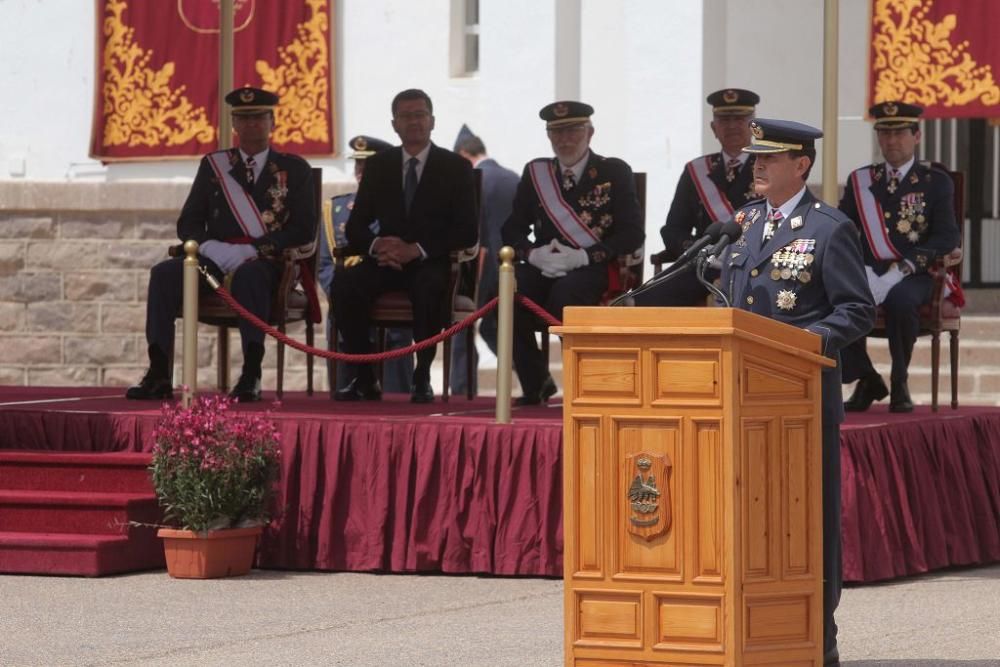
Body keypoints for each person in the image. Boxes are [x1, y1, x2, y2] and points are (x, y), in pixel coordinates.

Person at [717, 119, 875, 666]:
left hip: (799, 400)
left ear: (801, 164)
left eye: (769, 158)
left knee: (807, 518)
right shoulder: (742, 225)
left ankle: (817, 635)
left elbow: (857, 309)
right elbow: (725, 298)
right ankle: (750, 632)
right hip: (738, 400)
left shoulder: (829, 228)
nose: (755, 165)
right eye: (754, 157)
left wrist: (801, 345)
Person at [126, 86, 316, 403]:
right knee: (164, 274)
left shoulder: (294, 169)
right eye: (243, 118)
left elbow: (303, 228)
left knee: (250, 277)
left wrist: (256, 249)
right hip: (214, 257)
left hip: (264, 260)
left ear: (272, 122)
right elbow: (188, 222)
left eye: (258, 118)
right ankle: (158, 372)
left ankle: (251, 373)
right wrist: (208, 247)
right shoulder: (214, 165)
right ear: (234, 125)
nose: (251, 124)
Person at [331, 89, 477, 404]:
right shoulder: (379, 166)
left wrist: (417, 249)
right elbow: (356, 226)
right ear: (394, 124)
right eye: (406, 116)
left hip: (430, 260)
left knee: (429, 286)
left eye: (420, 114)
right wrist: (377, 245)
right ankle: (365, 375)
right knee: (344, 284)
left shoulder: (455, 167)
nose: (414, 122)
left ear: (432, 121)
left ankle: (421, 375)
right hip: (386, 261)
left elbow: (467, 231)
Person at [501, 101, 644, 405]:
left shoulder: (613, 171)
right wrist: (533, 253)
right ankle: (535, 383)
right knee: (507, 296)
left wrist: (584, 256)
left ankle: (586, 387)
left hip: (591, 266)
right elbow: (512, 229)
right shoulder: (536, 172)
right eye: (556, 132)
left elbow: (632, 233)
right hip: (544, 264)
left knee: (565, 298)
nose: (564, 139)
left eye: (572, 131)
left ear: (589, 133)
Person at [838, 101, 961, 413]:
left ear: (916, 137)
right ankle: (866, 377)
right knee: (840, 296)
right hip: (867, 270)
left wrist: (900, 271)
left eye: (899, 133)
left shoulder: (935, 181)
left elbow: (947, 237)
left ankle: (899, 379)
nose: (891, 141)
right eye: (884, 133)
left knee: (901, 301)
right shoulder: (861, 180)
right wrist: (863, 270)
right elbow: (844, 230)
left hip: (918, 273)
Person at [639, 88, 760, 306]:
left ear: (754, 126)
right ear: (714, 128)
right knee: (647, 301)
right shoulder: (696, 170)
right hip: (704, 267)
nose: (731, 125)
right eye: (724, 120)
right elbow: (673, 229)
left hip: (754, 266)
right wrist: (696, 248)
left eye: (739, 119)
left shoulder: (769, 166)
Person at [317, 135, 413, 395]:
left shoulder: (403, 208)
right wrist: (337, 292)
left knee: (396, 396)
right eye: (358, 166)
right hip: (347, 305)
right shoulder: (335, 209)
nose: (361, 173)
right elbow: (325, 264)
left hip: (387, 305)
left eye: (368, 167)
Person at [449, 124, 520, 396]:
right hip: (513, 266)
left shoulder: (475, 180)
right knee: (494, 328)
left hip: (481, 266)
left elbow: (473, 230)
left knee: (462, 328)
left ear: (464, 154)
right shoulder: (512, 177)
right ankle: (532, 373)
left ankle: (462, 390)